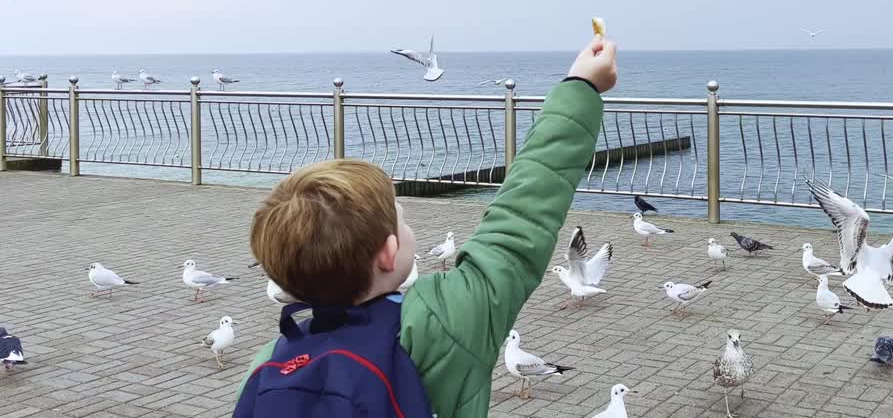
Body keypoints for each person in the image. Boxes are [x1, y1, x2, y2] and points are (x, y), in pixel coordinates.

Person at [235, 36, 617, 417]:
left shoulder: (269, 365)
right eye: (401, 219)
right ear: (388, 253)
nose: (407, 224)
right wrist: (581, 88)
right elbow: (523, 214)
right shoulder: (446, 319)